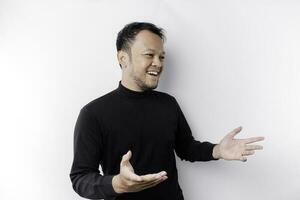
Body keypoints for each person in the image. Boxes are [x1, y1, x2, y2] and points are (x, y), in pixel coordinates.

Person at [69, 22, 264, 200]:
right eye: (149, 55)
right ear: (123, 58)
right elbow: (80, 178)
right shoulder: (93, 113)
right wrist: (117, 184)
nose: (158, 63)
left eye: (161, 57)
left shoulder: (168, 104)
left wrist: (217, 150)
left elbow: (186, 148)